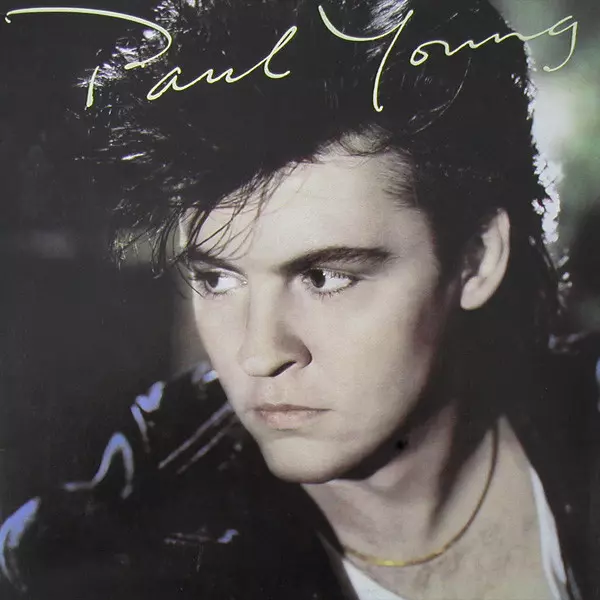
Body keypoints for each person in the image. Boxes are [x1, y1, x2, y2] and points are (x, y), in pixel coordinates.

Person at [1, 0, 599, 598]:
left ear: (476, 258)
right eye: (217, 280)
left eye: (324, 277)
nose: (260, 355)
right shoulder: (105, 562)